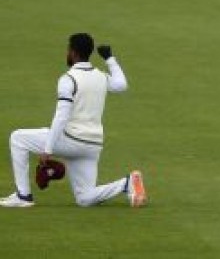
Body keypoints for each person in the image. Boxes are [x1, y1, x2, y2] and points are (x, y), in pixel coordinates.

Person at [3, 34, 146, 209]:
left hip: (70, 140)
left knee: (18, 138)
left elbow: (61, 116)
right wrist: (110, 59)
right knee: (84, 198)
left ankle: (23, 196)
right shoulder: (100, 77)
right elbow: (121, 84)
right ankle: (127, 183)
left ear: (73, 53)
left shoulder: (68, 79)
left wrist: (48, 149)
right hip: (92, 145)